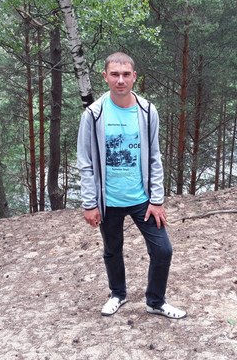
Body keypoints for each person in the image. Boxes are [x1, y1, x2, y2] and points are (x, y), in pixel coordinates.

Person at [77, 52, 186, 319]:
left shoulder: (147, 111)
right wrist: (90, 203)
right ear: (105, 76)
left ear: (134, 77)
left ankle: (155, 301)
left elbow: (154, 156)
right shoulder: (94, 114)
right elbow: (85, 161)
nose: (120, 80)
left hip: (141, 198)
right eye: (115, 74)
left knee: (163, 250)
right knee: (112, 250)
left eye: (126, 74)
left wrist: (157, 199)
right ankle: (118, 294)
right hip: (108, 200)